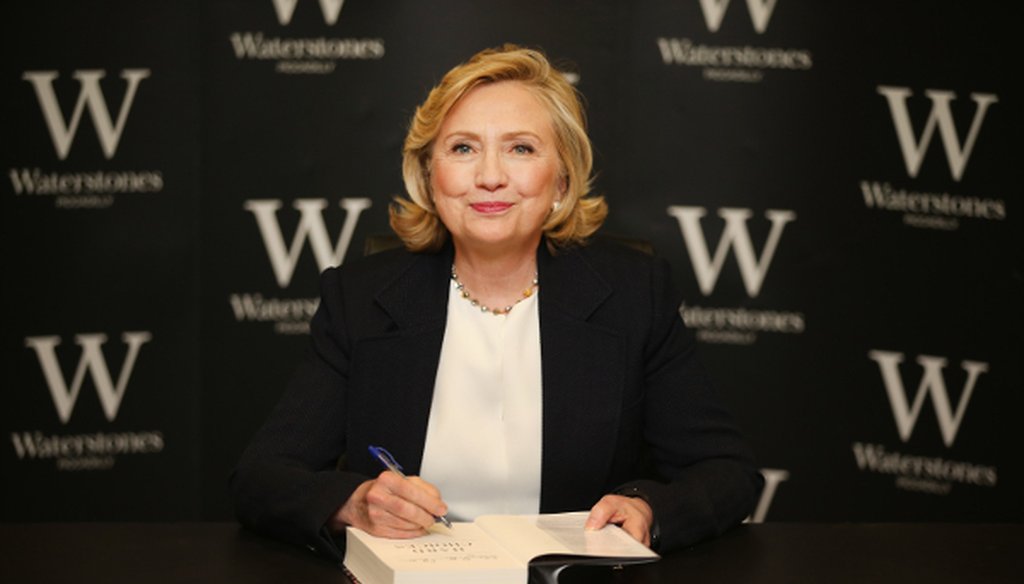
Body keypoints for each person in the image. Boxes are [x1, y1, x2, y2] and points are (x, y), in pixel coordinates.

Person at [230, 44, 763, 561]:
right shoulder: (361, 298)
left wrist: (648, 509)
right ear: (430, 176)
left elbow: (727, 471)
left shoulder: (633, 294)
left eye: (521, 148)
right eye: (463, 148)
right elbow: (262, 476)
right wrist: (352, 504)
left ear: (562, 180)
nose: (489, 176)